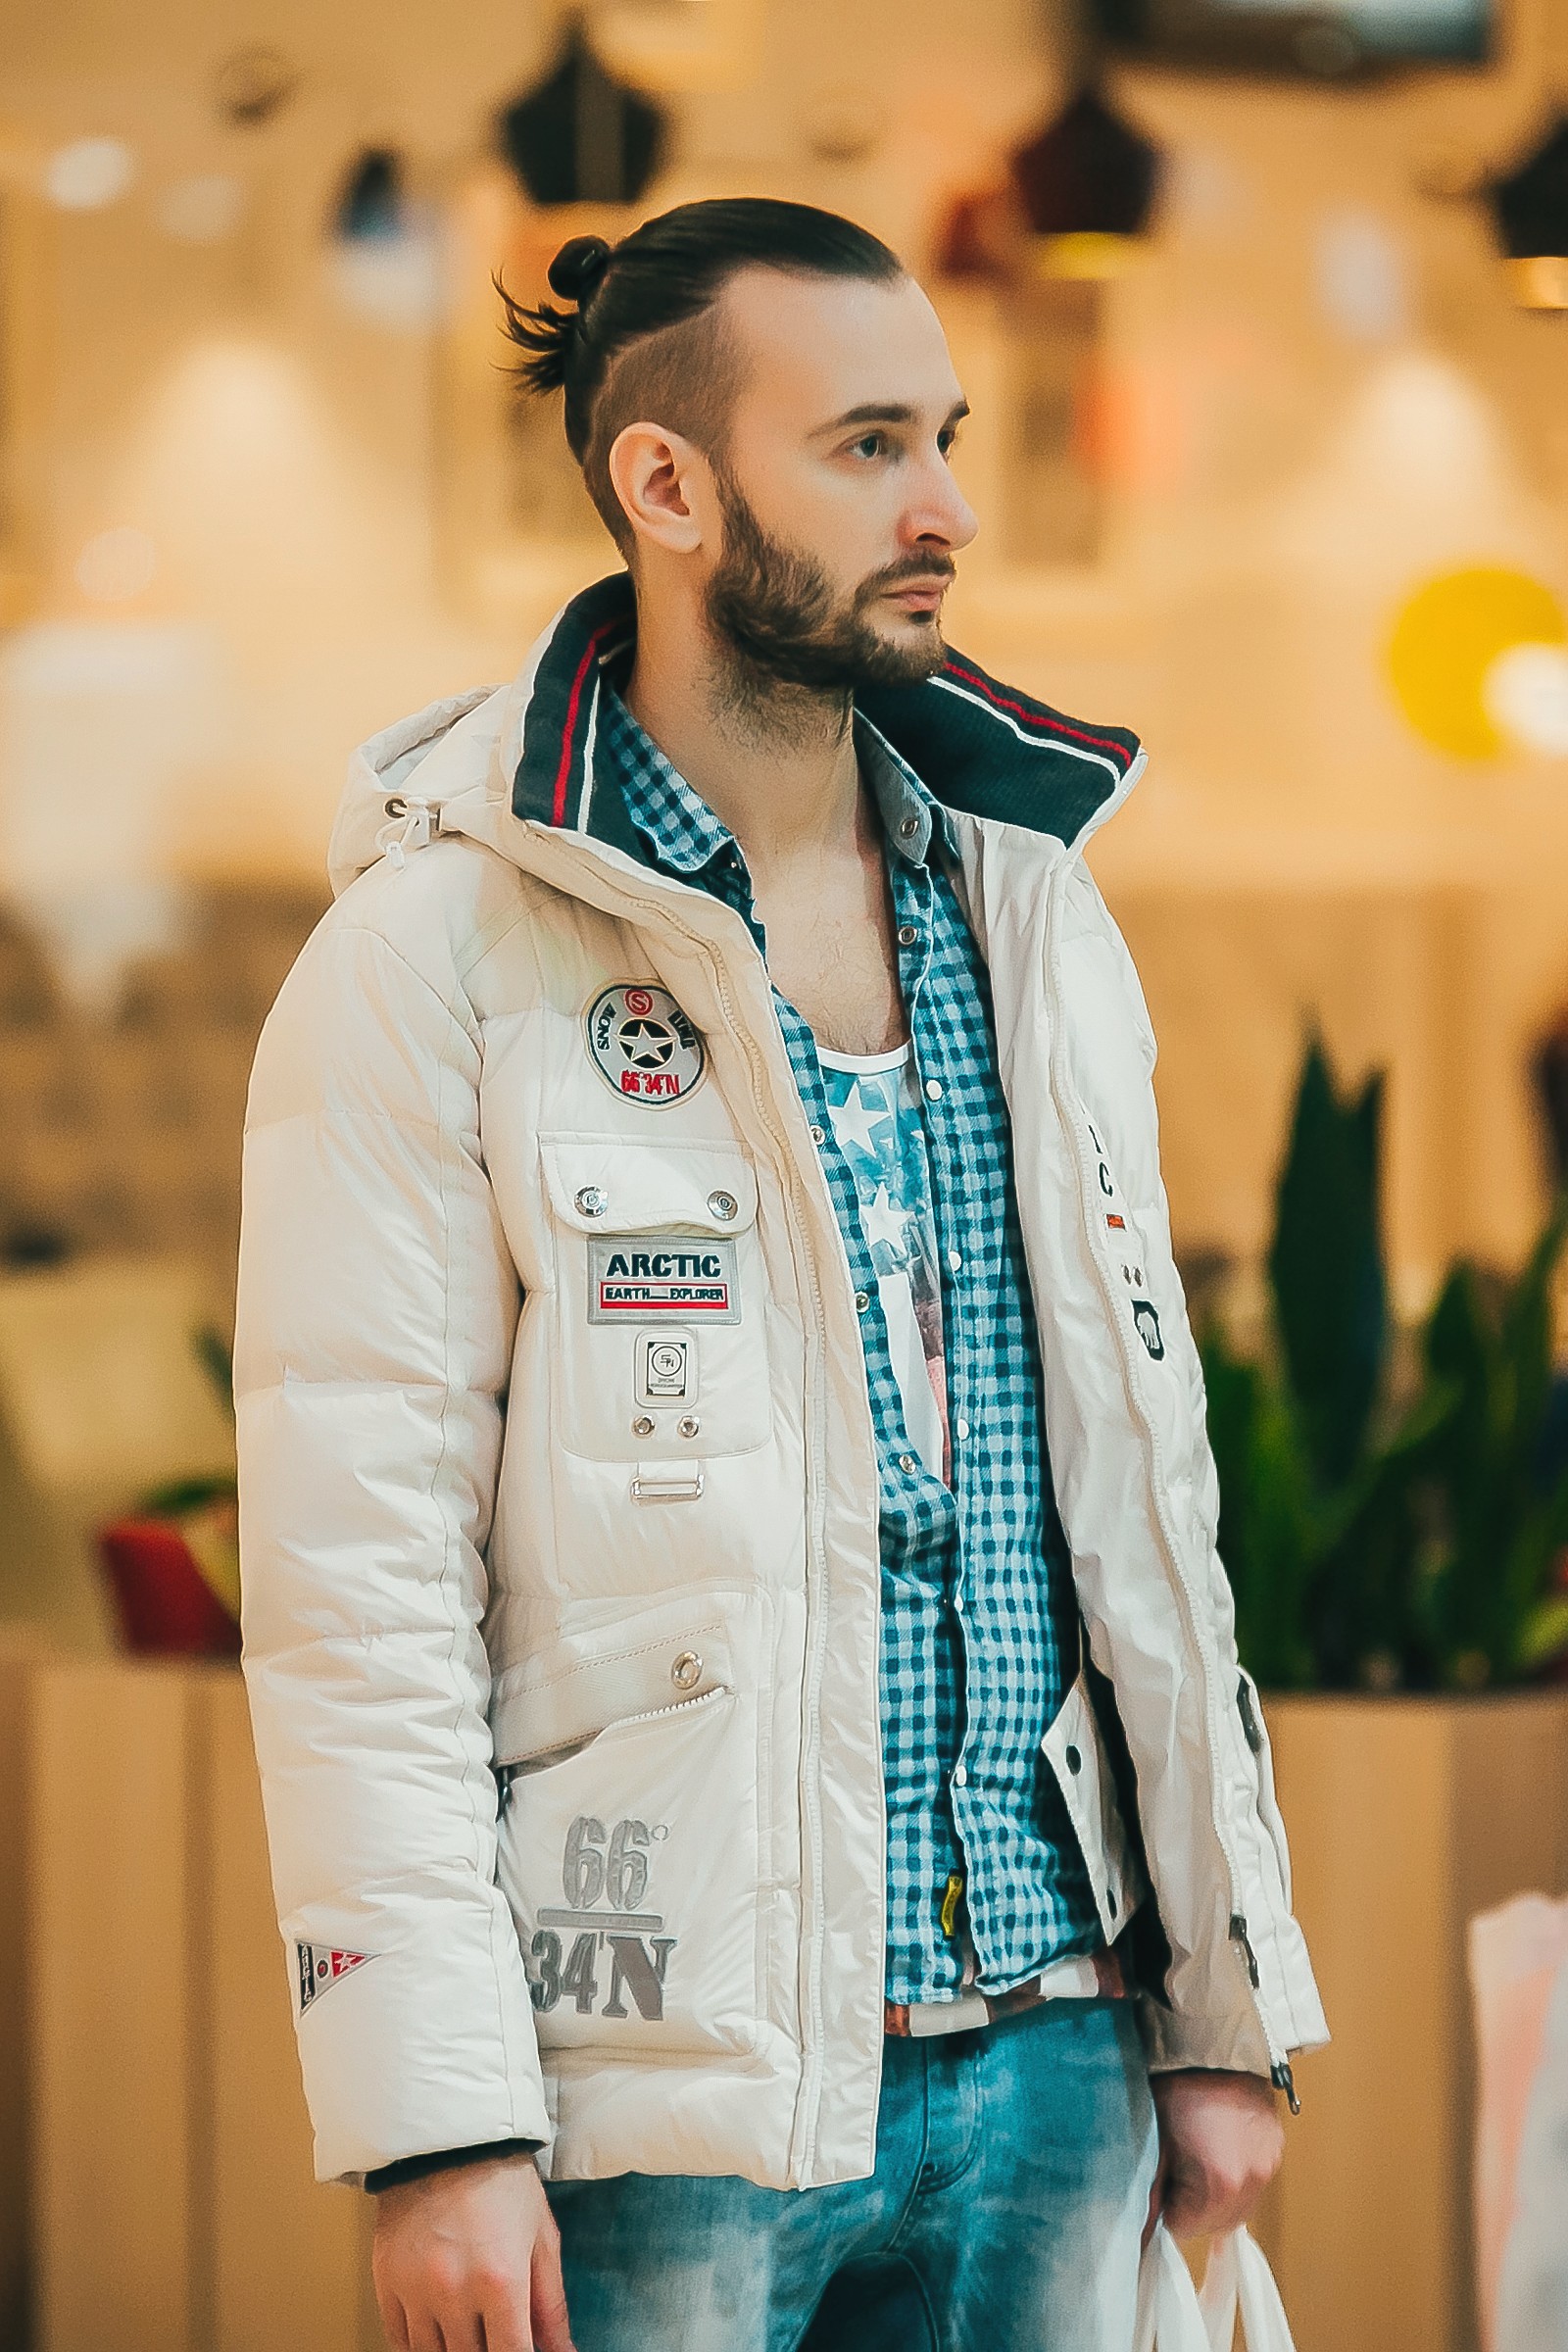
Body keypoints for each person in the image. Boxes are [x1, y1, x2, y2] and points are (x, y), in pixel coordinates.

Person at [236, 197, 1327, 2352]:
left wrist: (1220, 2005)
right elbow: (357, 1593)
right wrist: (436, 2128)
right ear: (667, 484)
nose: (946, 511)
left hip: (1060, 2049)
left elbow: (1144, 1515)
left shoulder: (1033, 915)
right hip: (666, 2099)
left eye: (943, 437)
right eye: (865, 447)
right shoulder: (433, 955)